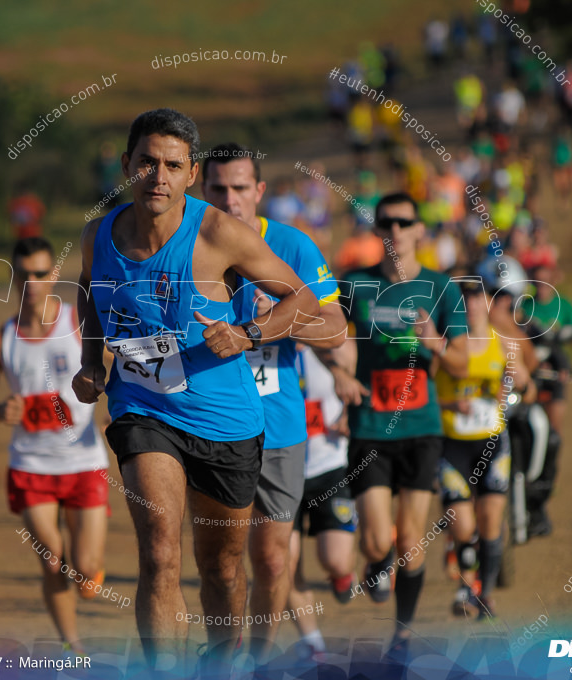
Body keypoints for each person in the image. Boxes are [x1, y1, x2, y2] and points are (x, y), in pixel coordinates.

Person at [72, 108, 319, 675]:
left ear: (191, 173)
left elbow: (300, 298)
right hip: (143, 408)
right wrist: (91, 361)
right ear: (127, 165)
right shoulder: (99, 235)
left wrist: (248, 332)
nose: (158, 176)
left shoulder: (217, 233)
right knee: (159, 551)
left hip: (226, 421)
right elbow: (90, 290)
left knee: (222, 570)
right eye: (147, 162)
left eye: (172, 165)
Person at [201, 143, 346, 664]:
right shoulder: (188, 243)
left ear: (259, 191)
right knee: (220, 561)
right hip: (208, 424)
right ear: (201, 188)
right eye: (218, 188)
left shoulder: (291, 245)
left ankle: (256, 660)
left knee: (272, 559)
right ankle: (225, 653)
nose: (230, 198)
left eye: (241, 187)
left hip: (279, 428)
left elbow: (335, 328)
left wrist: (275, 323)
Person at [325, 192, 468, 660]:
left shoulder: (442, 288)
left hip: (421, 427)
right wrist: (340, 372)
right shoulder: (354, 285)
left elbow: (464, 364)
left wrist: (438, 344)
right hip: (370, 426)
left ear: (420, 230)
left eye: (405, 222)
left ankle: (403, 633)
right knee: (375, 540)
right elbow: (322, 335)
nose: (396, 231)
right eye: (386, 222)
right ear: (377, 230)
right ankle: (375, 563)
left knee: (410, 542)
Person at [0, 237, 108, 656]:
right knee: (52, 559)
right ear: (13, 277)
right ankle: (72, 645)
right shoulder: (0, 341)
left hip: (84, 461)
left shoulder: (79, 324)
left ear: (54, 275)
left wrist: (106, 397)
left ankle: (90, 572)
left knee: (83, 569)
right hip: (31, 466)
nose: (32, 282)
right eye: (24, 274)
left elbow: (115, 374)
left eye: (41, 274)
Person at [436, 280, 535, 619]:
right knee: (463, 526)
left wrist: (517, 382)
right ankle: (466, 584)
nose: (471, 303)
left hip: (492, 443)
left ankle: (485, 593)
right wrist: (451, 403)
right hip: (453, 446)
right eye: (464, 298)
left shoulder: (506, 344)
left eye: (477, 296)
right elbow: (423, 399)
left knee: (491, 521)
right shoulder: (444, 346)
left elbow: (527, 388)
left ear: (487, 303)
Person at [287, 343, 358, 659]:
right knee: (283, 566)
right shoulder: (261, 345)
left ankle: (344, 573)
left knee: (336, 560)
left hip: (327, 466)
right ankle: (313, 644)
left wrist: (348, 414)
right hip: (279, 472)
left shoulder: (335, 343)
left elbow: (356, 385)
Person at [518, 264, 572, 537]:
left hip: (555, 376)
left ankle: (540, 500)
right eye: (538, 281)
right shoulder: (523, 306)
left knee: (552, 438)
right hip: (530, 375)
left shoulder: (564, 305)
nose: (542, 286)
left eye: (547, 281)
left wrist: (566, 335)